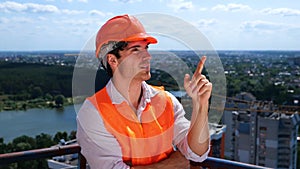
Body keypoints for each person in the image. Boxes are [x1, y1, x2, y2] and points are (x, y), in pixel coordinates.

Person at [76, 14, 212, 169]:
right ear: (113, 60)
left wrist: (201, 105)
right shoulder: (93, 113)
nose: (147, 56)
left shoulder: (166, 101)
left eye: (146, 48)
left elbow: (197, 154)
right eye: (135, 50)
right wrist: (171, 164)